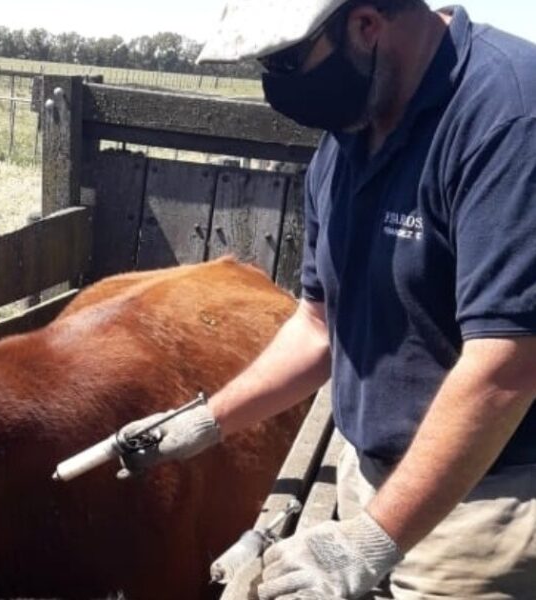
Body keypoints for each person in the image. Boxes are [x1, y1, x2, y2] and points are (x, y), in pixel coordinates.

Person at [114, 1, 536, 598]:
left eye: (284, 62)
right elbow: (318, 326)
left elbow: (507, 365)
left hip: (481, 513)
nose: (273, 84)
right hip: (369, 483)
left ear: (365, 25)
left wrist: (370, 541)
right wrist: (208, 420)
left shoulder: (508, 116)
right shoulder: (347, 141)